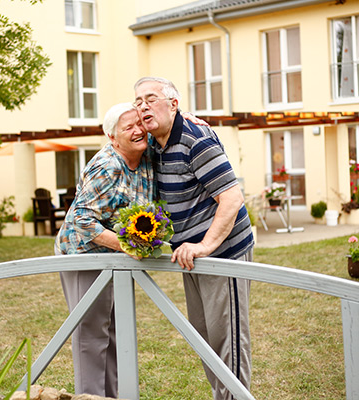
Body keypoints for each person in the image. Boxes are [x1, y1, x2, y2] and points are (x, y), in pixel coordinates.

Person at [134, 76, 254, 400]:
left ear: (174, 104)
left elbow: (231, 198)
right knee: (205, 339)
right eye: (137, 102)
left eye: (150, 98)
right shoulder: (154, 146)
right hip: (193, 256)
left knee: (227, 339)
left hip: (222, 252)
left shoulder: (195, 138)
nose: (142, 106)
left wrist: (205, 246)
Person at [55, 102, 155, 397]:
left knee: (114, 331)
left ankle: (113, 396)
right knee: (90, 333)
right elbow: (81, 220)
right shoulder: (108, 166)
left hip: (114, 258)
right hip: (83, 255)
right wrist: (126, 245)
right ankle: (90, 396)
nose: (138, 130)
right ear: (113, 138)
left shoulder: (146, 157)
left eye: (140, 123)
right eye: (129, 128)